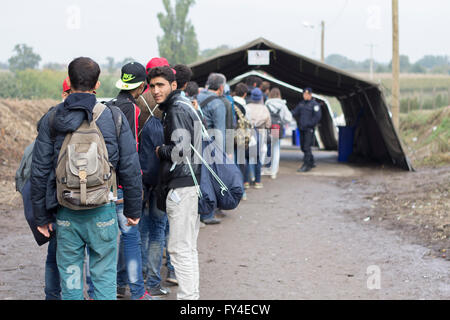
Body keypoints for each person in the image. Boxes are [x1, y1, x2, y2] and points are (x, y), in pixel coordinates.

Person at [31, 57, 145, 300]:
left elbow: (39, 170)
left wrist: (41, 216)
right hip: (102, 211)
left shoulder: (52, 118)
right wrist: (133, 209)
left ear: (69, 83)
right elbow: (130, 166)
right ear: (98, 84)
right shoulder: (112, 117)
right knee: (104, 278)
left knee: (70, 282)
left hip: (66, 214)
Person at [148, 65, 202, 300]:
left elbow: (182, 149)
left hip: (182, 185)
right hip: (190, 183)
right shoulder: (184, 106)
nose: (155, 90)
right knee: (187, 248)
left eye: (160, 85)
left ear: (173, 85)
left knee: (179, 249)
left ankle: (188, 299)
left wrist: (161, 150)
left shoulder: (177, 110)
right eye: (152, 86)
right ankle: (192, 297)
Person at [111, 62, 153, 300]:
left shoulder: (109, 106)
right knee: (131, 237)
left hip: (106, 184)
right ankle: (138, 292)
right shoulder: (133, 110)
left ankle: (113, 287)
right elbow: (132, 150)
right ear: (141, 87)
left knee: (108, 242)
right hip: (124, 184)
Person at [196, 73, 228, 225]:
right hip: (210, 145)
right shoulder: (218, 103)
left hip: (195, 143)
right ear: (221, 87)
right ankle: (207, 214)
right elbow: (220, 131)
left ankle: (200, 212)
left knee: (200, 179)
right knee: (209, 180)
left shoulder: (198, 97)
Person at [245, 88, 271, 189]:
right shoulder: (264, 108)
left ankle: (246, 182)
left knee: (246, 158)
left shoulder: (247, 107)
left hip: (248, 134)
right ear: (261, 97)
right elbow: (269, 124)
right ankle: (257, 181)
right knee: (257, 158)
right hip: (260, 134)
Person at [264, 87, 293, 179]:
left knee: (267, 148)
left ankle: (268, 167)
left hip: (268, 128)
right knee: (276, 149)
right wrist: (282, 121)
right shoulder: (282, 105)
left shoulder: (266, 104)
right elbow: (289, 118)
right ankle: (273, 171)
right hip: (277, 128)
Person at [292, 87, 322, 172]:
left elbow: (317, 117)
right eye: (304, 94)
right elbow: (295, 112)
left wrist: (310, 124)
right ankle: (311, 162)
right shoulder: (301, 104)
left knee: (307, 147)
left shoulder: (315, 105)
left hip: (309, 129)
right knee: (303, 147)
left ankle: (306, 165)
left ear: (310, 95)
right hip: (301, 129)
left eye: (306, 94)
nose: (305, 95)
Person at [232, 82, 251, 200]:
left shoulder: (229, 102)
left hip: (229, 136)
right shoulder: (245, 107)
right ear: (244, 94)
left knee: (231, 163)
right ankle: (241, 191)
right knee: (241, 163)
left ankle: (232, 189)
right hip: (240, 138)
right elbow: (248, 123)